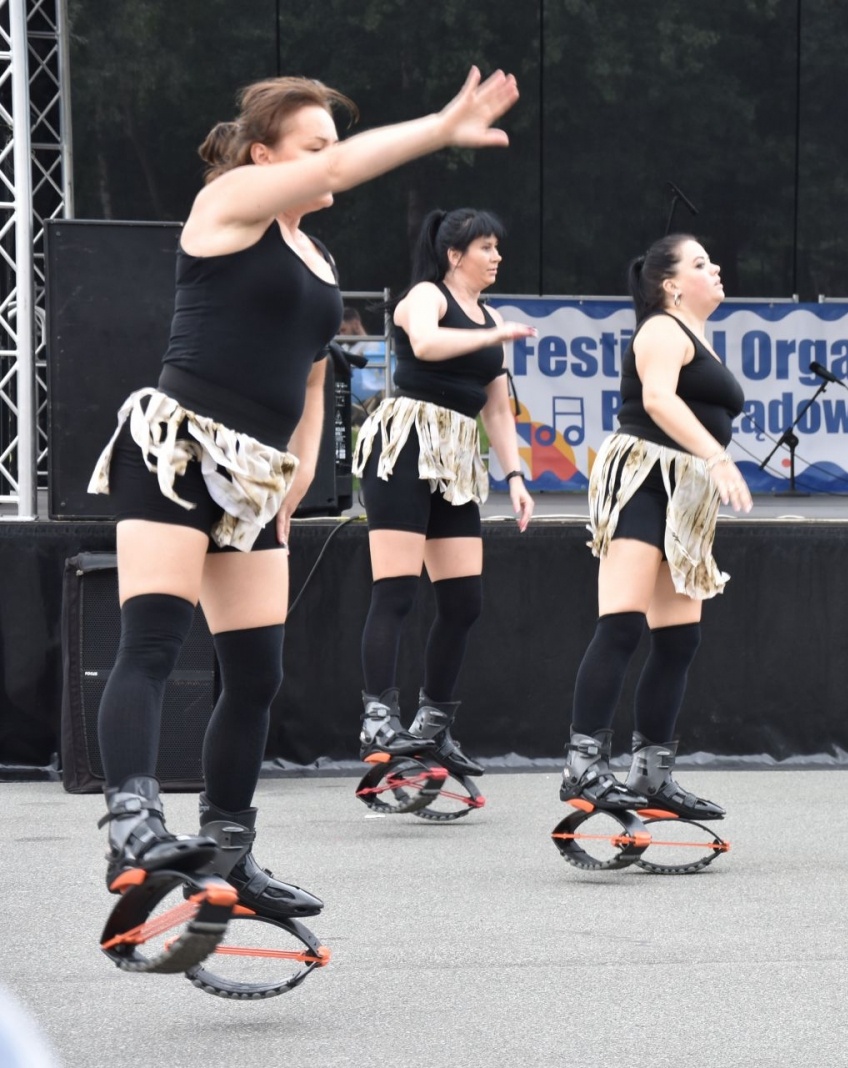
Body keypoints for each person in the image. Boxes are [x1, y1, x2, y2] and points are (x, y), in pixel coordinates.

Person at [86, 68, 519, 928]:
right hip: (178, 451)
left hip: (254, 478)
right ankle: (132, 826)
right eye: (313, 146)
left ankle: (230, 851)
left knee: (255, 674)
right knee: (155, 644)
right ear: (263, 154)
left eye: (331, 143)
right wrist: (438, 126)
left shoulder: (316, 256)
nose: (328, 161)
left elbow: (316, 387)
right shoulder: (231, 202)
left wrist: (292, 481)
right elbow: (337, 173)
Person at [560, 234, 751, 819]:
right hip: (644, 477)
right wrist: (717, 457)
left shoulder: (697, 336)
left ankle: (651, 774)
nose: (714, 268)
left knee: (678, 638)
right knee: (621, 625)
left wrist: (707, 463)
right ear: (670, 284)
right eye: (700, 263)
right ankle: (584, 765)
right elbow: (660, 401)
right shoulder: (660, 329)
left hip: (683, 490)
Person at [353, 207, 534, 773]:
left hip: (455, 457)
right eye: (486, 247)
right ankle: (378, 718)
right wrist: (495, 332)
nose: (497, 257)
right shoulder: (425, 297)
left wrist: (516, 476)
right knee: (398, 590)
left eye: (497, 248)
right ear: (455, 255)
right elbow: (427, 346)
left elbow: (499, 411)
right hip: (405, 445)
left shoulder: (491, 315)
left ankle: (432, 726)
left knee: (463, 602)